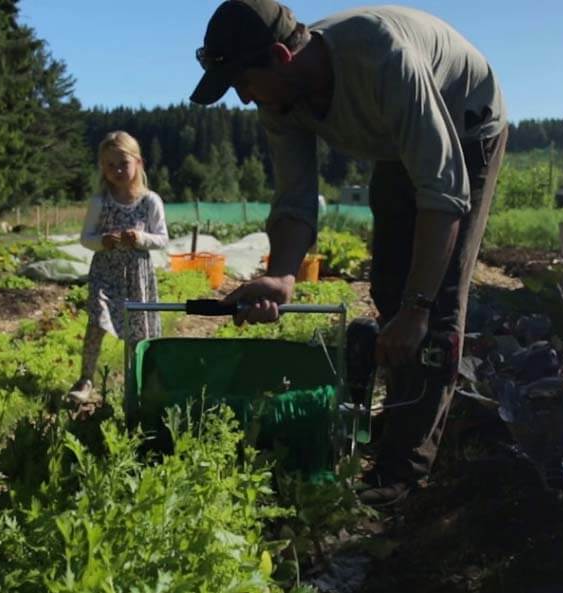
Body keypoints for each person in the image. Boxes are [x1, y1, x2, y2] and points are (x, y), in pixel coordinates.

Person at [190, 1, 508, 506]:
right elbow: (295, 200)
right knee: (387, 286)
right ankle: (401, 410)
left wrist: (418, 307)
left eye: (244, 82)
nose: (245, 98)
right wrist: (282, 277)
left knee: (434, 303)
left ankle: (403, 473)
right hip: (396, 140)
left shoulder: (384, 60)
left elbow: (443, 193)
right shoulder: (281, 101)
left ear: (280, 56)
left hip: (465, 120)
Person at [67, 131, 170, 405]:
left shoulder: (150, 201)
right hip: (106, 272)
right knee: (96, 323)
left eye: (123, 163)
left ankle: (138, 380)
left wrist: (140, 238)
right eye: (110, 165)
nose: (117, 170)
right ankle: (86, 379)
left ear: (139, 163)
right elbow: (85, 238)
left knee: (138, 329)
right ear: (103, 167)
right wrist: (102, 241)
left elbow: (162, 238)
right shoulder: (100, 202)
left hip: (138, 274)